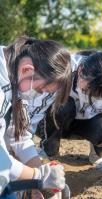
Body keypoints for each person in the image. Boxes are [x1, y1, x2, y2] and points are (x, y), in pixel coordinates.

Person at [36, 51, 102, 174]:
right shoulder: (62, 70)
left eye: (98, 96)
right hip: (52, 122)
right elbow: (34, 105)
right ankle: (48, 151)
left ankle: (98, 154)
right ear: (80, 71)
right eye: (87, 90)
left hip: (87, 126)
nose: (91, 97)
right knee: (63, 104)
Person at [0, 36, 71, 192]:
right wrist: (37, 176)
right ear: (27, 69)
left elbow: (18, 137)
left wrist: (38, 176)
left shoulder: (14, 80)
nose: (39, 96)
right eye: (40, 90)